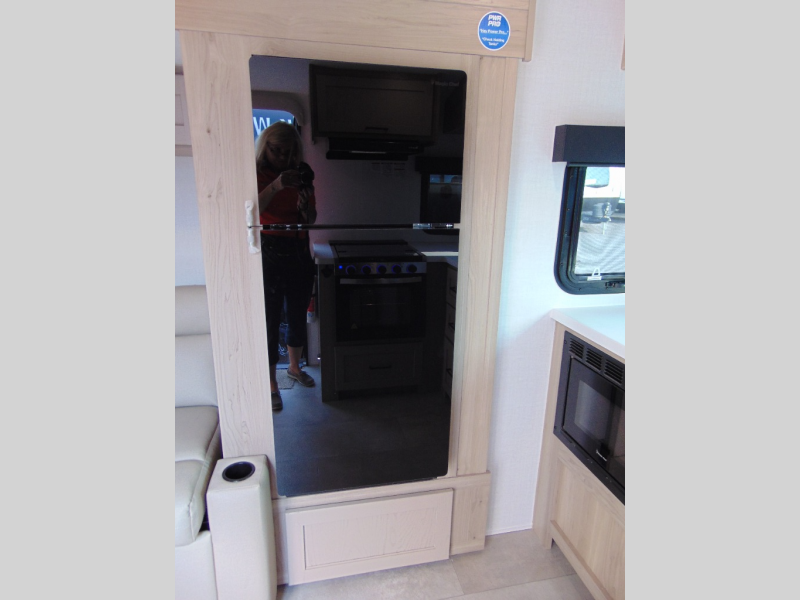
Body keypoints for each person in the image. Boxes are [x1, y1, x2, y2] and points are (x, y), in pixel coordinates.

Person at [255, 122, 317, 411]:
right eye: (276, 150)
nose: (281, 157)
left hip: (298, 248)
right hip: (269, 248)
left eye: (287, 151)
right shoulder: (255, 173)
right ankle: (271, 383)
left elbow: (311, 220)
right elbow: (252, 210)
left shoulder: (302, 173)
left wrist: (305, 205)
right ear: (265, 146)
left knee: (297, 312)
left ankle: (294, 368)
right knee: (269, 319)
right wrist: (277, 184)